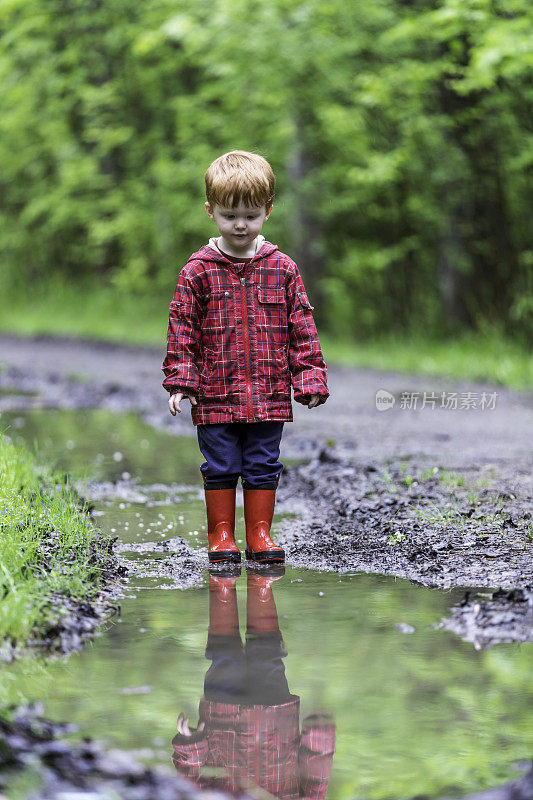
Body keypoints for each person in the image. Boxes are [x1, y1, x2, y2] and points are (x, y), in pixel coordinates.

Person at [162, 150, 329, 564]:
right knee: (220, 464)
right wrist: (182, 382)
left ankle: (259, 533)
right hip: (215, 394)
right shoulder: (197, 271)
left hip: (268, 395)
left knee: (263, 463)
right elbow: (182, 327)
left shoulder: (282, 268)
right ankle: (221, 534)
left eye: (251, 215)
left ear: (268, 212)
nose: (240, 224)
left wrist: (308, 378)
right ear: (210, 211)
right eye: (229, 215)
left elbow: (301, 326)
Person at [171, 566, 336, 800]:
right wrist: (320, 735)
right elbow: (316, 779)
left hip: (222, 719)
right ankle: (260, 584)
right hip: (275, 720)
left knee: (223, 653)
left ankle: (222, 584)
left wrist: (191, 747)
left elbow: (189, 789)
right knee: (267, 653)